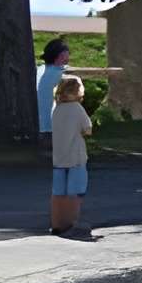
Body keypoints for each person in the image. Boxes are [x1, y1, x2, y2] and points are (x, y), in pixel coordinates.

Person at [49, 73, 92, 236]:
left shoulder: (57, 109)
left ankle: (56, 224)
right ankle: (71, 223)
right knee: (75, 193)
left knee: (58, 193)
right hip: (76, 157)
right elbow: (87, 129)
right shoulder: (77, 108)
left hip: (59, 158)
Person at [35, 36, 69, 133]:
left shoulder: (40, 70)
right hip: (51, 125)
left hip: (36, 122)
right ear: (61, 56)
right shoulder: (60, 74)